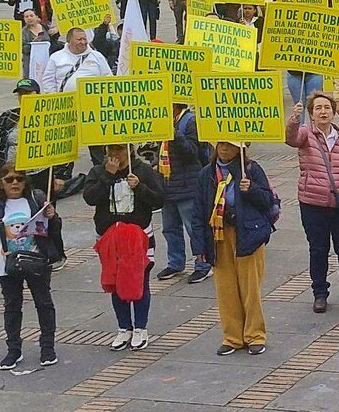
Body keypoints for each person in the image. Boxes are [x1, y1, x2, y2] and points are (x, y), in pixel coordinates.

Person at [0, 167, 62, 370]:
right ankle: (13, 350)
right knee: (12, 307)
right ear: (0, 183)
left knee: (44, 302)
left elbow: (53, 230)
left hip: (36, 261)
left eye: (19, 179)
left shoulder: (37, 197)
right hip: (6, 265)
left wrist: (53, 216)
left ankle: (47, 347)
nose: (15, 183)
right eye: (9, 179)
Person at [285, 91, 339, 313]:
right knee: (318, 250)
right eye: (318, 108)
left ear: (334, 112)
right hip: (313, 203)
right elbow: (290, 139)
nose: (323, 112)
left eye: (327, 108)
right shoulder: (305, 135)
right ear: (311, 113)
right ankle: (320, 293)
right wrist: (294, 119)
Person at [198, 140, 280, 355]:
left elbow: (268, 201)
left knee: (250, 288)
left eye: (229, 145)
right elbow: (198, 210)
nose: (224, 149)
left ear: (240, 148)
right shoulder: (207, 173)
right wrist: (199, 245)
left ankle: (255, 335)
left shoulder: (251, 170)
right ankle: (232, 337)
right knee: (225, 289)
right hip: (218, 234)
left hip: (247, 234)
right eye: (220, 145)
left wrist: (251, 189)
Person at [84, 142, 164, 349]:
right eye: (111, 150)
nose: (115, 154)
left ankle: (140, 328)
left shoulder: (143, 170)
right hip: (110, 237)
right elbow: (90, 198)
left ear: (129, 150)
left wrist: (139, 187)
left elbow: (159, 199)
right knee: (115, 281)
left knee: (139, 281)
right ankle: (124, 328)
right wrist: (107, 177)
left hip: (137, 236)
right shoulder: (97, 171)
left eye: (119, 149)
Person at [156, 102, 212, 283]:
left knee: (193, 227)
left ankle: (203, 264)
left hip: (188, 185)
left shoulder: (190, 121)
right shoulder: (162, 121)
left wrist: (173, 133)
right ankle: (176, 262)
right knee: (170, 228)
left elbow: (192, 153)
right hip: (168, 184)